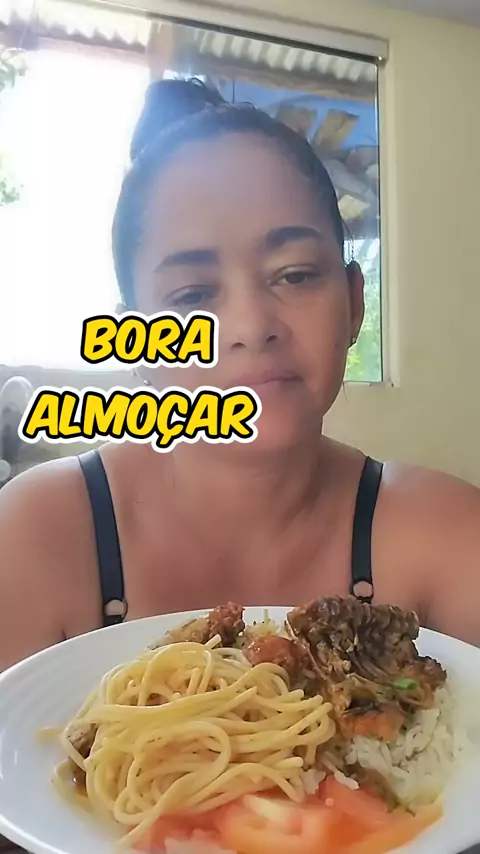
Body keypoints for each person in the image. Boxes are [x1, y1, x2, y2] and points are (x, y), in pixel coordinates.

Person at [0, 77, 479, 673]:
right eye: (193, 294)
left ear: (355, 303)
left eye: (295, 274)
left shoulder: (450, 534)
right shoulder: (35, 537)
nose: (251, 326)